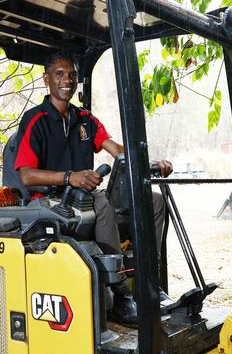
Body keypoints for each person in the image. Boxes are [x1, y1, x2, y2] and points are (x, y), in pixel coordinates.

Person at [14, 52, 173, 327]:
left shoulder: (85, 119)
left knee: (154, 201)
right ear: (46, 80)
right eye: (60, 74)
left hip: (83, 197)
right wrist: (69, 177)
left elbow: (117, 151)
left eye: (72, 75)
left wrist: (151, 163)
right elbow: (26, 176)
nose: (67, 80)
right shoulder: (34, 120)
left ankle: (149, 282)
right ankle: (121, 293)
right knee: (101, 204)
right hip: (48, 202)